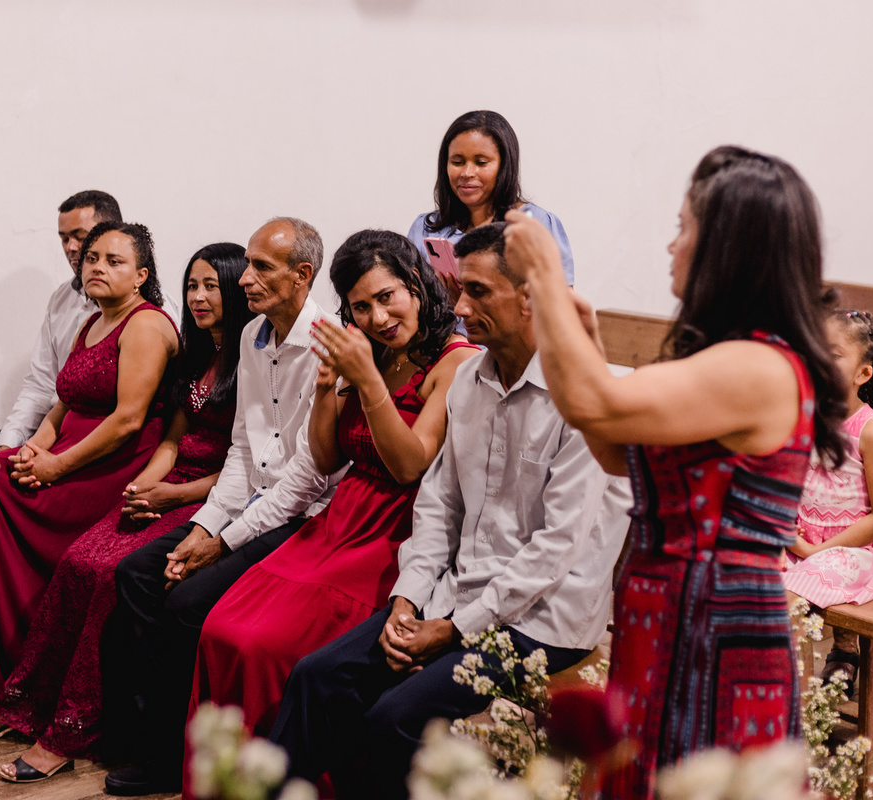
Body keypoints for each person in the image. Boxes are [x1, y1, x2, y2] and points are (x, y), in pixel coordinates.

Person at [502, 145, 848, 800]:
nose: (670, 245)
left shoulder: (757, 366)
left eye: (683, 226)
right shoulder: (721, 360)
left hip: (718, 619)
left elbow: (591, 403)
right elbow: (611, 448)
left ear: (728, 246)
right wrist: (580, 342)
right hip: (665, 609)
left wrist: (545, 271)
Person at [269, 222, 632, 800]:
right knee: (318, 677)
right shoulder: (473, 381)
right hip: (456, 596)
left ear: (531, 298)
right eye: (461, 289)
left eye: (480, 292)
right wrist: (407, 600)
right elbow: (438, 508)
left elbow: (556, 550)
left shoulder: (583, 395)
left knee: (394, 717)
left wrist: (451, 629)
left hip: (542, 620)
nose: (460, 306)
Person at [0, 243, 251, 783]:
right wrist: (145, 486)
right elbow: (172, 438)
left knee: (108, 573)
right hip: (169, 483)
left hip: (213, 496)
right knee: (77, 560)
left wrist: (173, 497)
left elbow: (247, 465)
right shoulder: (200, 355)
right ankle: (23, 702)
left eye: (211, 287)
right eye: (192, 286)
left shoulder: (253, 358)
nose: (198, 297)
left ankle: (70, 729)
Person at [184, 229, 477, 789]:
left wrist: (367, 382)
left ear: (417, 284)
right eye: (362, 306)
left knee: (267, 644)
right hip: (342, 517)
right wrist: (327, 386)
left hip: (399, 530)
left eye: (388, 296)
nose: (379, 317)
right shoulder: (372, 352)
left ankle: (289, 781)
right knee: (222, 626)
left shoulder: (455, 362)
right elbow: (322, 456)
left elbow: (410, 465)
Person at [103, 218, 341, 798]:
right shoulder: (253, 334)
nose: (247, 278)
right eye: (250, 264)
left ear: (302, 276)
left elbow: (307, 480)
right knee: (137, 572)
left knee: (186, 602)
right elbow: (242, 448)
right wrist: (206, 523)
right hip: (247, 501)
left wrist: (223, 541)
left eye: (262, 267)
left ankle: (178, 758)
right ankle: (148, 737)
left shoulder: (327, 342)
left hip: (299, 515)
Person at [0, 221, 180, 713]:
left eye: (113, 261)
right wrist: (32, 448)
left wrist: (56, 467)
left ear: (141, 275)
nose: (96, 266)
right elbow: (62, 402)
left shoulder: (146, 324)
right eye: (92, 257)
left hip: (111, 466)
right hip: (64, 453)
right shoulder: (91, 320)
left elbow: (127, 421)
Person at [0, 191, 123, 471]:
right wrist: (8, 445)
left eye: (80, 235)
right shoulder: (62, 299)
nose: (71, 247)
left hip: (98, 435)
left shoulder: (149, 312)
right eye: (64, 238)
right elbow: (41, 385)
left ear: (112, 235)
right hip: (53, 424)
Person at [782, 310, 873, 695]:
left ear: (863, 375)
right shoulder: (800, 416)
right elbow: (783, 482)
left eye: (831, 354)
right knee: (743, 571)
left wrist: (816, 549)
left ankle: (792, 706)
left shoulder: (869, 429)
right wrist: (788, 532)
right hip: (802, 536)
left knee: (789, 598)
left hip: (859, 547)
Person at [406, 110, 575, 294]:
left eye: (481, 162)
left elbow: (560, 306)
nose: (467, 173)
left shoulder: (534, 223)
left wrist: (470, 301)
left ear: (503, 167)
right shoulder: (424, 228)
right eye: (457, 162)